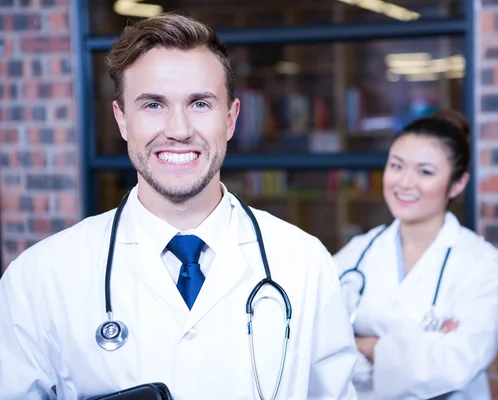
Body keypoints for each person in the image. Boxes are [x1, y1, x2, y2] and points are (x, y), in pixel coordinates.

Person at [0, 13, 358, 400]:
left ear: (231, 118)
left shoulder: (303, 262)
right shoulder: (39, 278)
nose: (179, 129)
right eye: (153, 105)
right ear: (122, 120)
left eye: (200, 104)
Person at [333, 110, 498, 400]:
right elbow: (320, 345)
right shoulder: (357, 253)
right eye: (396, 165)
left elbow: (456, 365)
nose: (405, 183)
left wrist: (367, 346)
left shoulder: (482, 264)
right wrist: (420, 349)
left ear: (457, 184)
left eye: (425, 172)